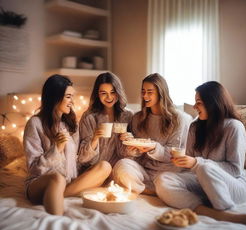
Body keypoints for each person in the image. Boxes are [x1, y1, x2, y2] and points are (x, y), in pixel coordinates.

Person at [156, 81, 246, 227]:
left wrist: (197, 163)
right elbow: (189, 166)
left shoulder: (234, 127)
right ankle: (207, 211)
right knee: (162, 179)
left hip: (232, 186)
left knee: (204, 167)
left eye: (199, 102)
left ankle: (227, 211)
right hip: (201, 183)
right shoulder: (195, 127)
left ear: (213, 103)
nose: (195, 107)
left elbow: (235, 170)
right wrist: (182, 162)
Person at [23, 74, 111, 216]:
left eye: (72, 97)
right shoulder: (35, 123)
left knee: (105, 166)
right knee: (57, 178)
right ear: (55, 97)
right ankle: (58, 223)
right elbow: (34, 168)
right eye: (68, 96)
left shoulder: (71, 124)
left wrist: (95, 139)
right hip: (40, 183)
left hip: (69, 181)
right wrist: (56, 148)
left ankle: (60, 194)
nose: (72, 101)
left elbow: (79, 160)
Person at [112, 73, 192, 195]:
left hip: (167, 172)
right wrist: (131, 147)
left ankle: (153, 188)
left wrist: (154, 147)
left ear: (161, 93)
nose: (145, 96)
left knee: (165, 181)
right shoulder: (138, 117)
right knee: (121, 165)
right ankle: (149, 191)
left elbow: (174, 153)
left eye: (150, 92)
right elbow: (134, 155)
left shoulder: (179, 119)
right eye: (143, 91)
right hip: (144, 171)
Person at [78, 72, 133, 176]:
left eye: (113, 92)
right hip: (94, 170)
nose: (109, 97)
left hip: (117, 171)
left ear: (118, 92)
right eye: (103, 93)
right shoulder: (89, 117)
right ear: (97, 94)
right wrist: (94, 139)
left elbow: (131, 155)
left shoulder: (128, 116)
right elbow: (82, 158)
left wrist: (129, 141)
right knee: (104, 167)